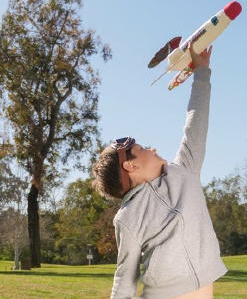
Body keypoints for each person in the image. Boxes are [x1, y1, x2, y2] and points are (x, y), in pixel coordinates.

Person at [92, 43, 227, 299]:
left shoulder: (184, 170)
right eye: (142, 149)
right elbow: (125, 275)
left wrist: (202, 73)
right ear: (130, 166)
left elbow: (196, 122)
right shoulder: (127, 217)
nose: (152, 148)